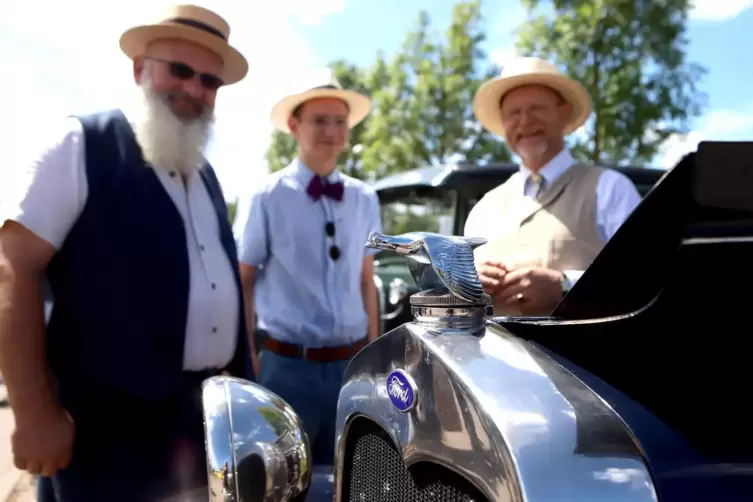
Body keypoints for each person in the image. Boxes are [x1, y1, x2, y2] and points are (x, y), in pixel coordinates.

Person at [0, 5, 251, 501]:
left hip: (199, 431)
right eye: (180, 70)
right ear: (140, 69)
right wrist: (33, 412)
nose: (195, 90)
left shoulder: (206, 176)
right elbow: (12, 268)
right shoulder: (81, 143)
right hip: (105, 442)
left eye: (209, 82)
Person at [234, 69, 382, 466]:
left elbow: (367, 282)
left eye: (340, 121)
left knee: (352, 475)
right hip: (285, 369)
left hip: (352, 368)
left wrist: (373, 355)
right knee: (284, 478)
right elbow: (243, 280)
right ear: (294, 126)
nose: (332, 130)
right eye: (320, 120)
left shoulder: (365, 198)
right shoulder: (266, 196)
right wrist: (249, 362)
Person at [466, 57, 641, 316]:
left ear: (564, 113)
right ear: (503, 124)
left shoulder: (609, 189)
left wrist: (565, 286)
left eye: (536, 108)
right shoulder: (484, 208)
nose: (524, 121)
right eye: (513, 113)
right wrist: (469, 286)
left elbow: (647, 278)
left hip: (578, 355)